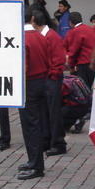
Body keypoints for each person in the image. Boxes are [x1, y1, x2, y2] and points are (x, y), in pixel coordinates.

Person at [18, 10, 50, 180]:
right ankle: (33, 161)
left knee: (31, 126)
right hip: (41, 81)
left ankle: (36, 164)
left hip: (29, 83)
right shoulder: (40, 36)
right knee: (37, 123)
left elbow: (24, 66)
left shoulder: (23, 38)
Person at [33, 10, 67, 157]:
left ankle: (58, 142)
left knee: (53, 112)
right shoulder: (44, 35)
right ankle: (47, 139)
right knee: (45, 111)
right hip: (46, 78)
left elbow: (59, 60)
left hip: (51, 78)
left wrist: (52, 76)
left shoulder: (51, 36)